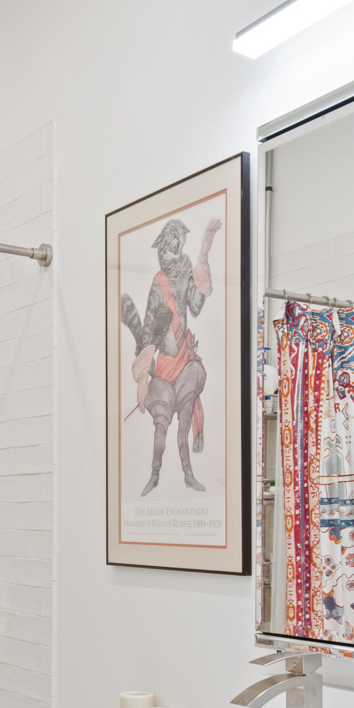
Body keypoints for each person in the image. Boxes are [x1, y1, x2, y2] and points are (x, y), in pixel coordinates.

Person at [121, 212, 220, 496]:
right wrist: (144, 370)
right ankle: (154, 474)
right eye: (171, 241)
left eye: (180, 239)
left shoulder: (188, 268)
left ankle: (189, 475)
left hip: (184, 360)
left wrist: (203, 255)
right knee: (161, 427)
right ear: (164, 246)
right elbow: (151, 328)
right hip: (164, 364)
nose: (176, 245)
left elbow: (197, 305)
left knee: (184, 423)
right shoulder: (158, 282)